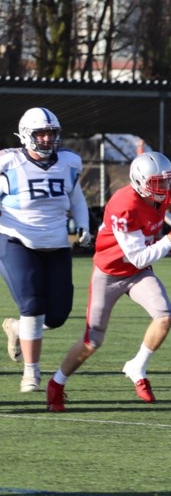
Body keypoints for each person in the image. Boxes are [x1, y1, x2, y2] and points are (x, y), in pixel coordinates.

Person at [45, 152, 171, 411]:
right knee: (93, 340)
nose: (166, 188)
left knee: (164, 315)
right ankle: (57, 383)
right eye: (158, 183)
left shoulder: (155, 196)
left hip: (137, 274)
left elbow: (161, 210)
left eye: (167, 181)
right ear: (139, 182)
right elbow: (137, 257)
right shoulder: (125, 204)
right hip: (111, 272)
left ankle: (137, 365)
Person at [1, 107, 92, 393]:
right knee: (33, 306)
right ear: (27, 135)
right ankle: (31, 373)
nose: (47, 139)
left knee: (57, 316)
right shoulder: (8, 163)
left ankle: (16, 329)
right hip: (16, 239)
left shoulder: (68, 162)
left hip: (56, 242)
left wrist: (84, 224)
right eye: (41, 133)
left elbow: (76, 198)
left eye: (51, 133)